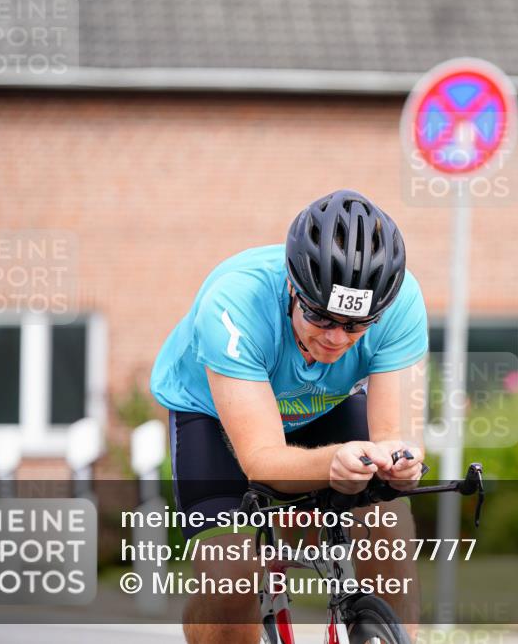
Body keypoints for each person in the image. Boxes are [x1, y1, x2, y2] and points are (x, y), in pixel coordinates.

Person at [150, 189, 428, 644]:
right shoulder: (236, 303)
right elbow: (262, 459)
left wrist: (402, 462)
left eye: (355, 325)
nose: (336, 339)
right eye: (321, 317)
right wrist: (333, 463)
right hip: (213, 412)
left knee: (389, 524)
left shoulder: (400, 304)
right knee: (231, 578)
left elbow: (393, 436)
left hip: (324, 402)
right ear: (293, 288)